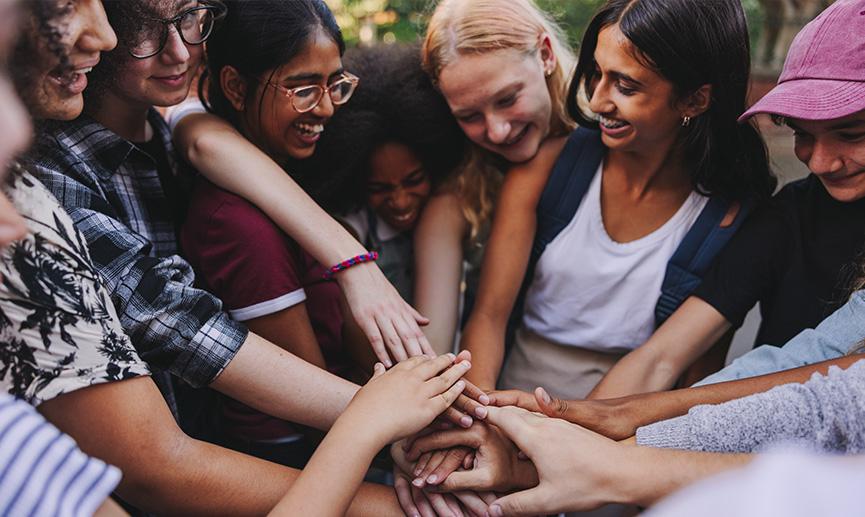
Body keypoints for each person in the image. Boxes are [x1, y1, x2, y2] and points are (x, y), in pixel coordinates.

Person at [5, 0, 405, 514]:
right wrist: (390, 423)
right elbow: (181, 327)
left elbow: (197, 126)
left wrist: (353, 262)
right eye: (142, 26)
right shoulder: (45, 181)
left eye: (191, 19)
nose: (179, 52)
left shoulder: (184, 138)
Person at [458, 0, 774, 401]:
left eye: (626, 86)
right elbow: (488, 315)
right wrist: (482, 414)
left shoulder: (727, 219)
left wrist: (566, 444)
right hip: (505, 401)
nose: (598, 101)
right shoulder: (549, 168)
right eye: (595, 74)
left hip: (620, 432)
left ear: (695, 100)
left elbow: (690, 376)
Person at [589, 0, 865, 400]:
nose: (819, 162)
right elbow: (662, 358)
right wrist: (565, 432)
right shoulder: (790, 214)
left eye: (851, 134)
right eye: (802, 133)